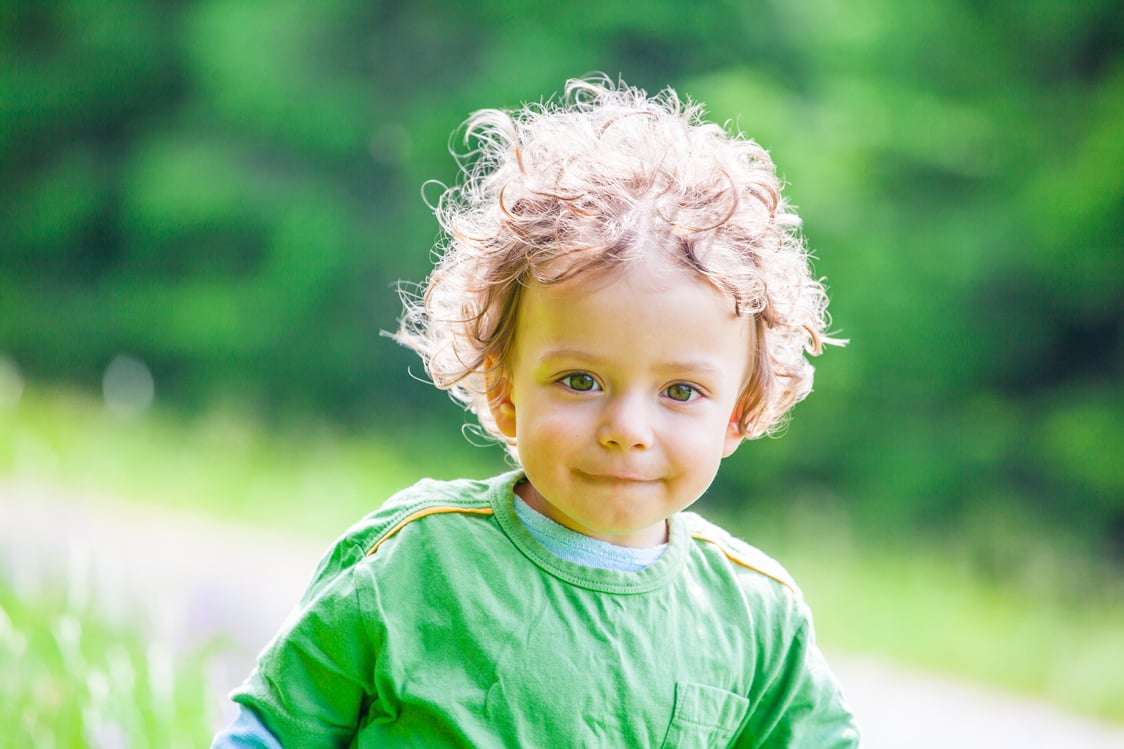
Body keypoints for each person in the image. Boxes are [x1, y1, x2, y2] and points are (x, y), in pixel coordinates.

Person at [212, 75, 859, 748]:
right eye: (580, 380)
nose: (628, 431)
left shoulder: (755, 618)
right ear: (504, 387)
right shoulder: (419, 557)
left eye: (681, 392)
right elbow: (273, 732)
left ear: (739, 411)